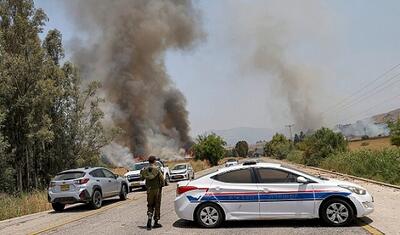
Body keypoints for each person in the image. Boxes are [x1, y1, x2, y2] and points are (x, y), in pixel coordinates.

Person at [140, 156, 165, 230]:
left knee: (150, 205)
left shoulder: (145, 170)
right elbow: (162, 180)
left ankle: (149, 217)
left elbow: (141, 178)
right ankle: (156, 222)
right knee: (157, 204)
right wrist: (162, 186)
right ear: (154, 161)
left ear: (148, 161)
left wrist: (142, 173)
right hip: (157, 190)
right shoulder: (157, 169)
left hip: (149, 190)